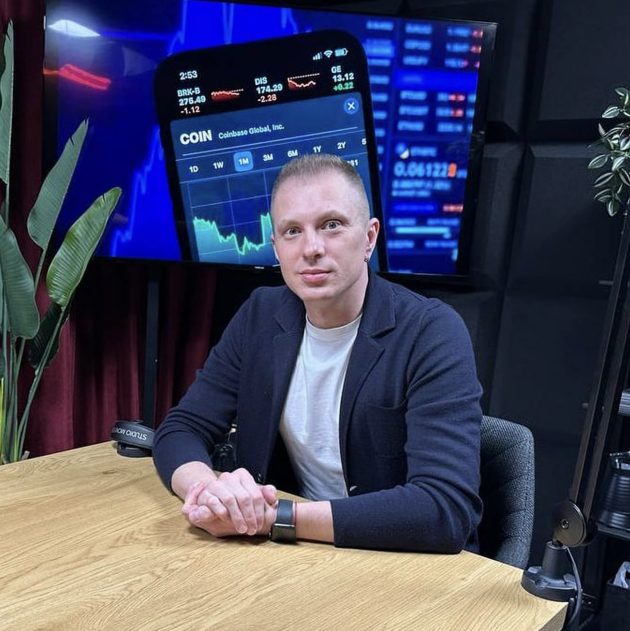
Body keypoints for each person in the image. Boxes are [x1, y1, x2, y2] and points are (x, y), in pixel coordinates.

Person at [153, 153, 483, 552]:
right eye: (292, 231)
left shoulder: (431, 331)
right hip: (296, 552)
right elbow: (181, 428)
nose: (311, 248)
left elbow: (444, 510)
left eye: (331, 225)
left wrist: (274, 518)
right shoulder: (261, 315)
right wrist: (211, 493)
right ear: (276, 248)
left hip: (399, 560)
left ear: (369, 237)